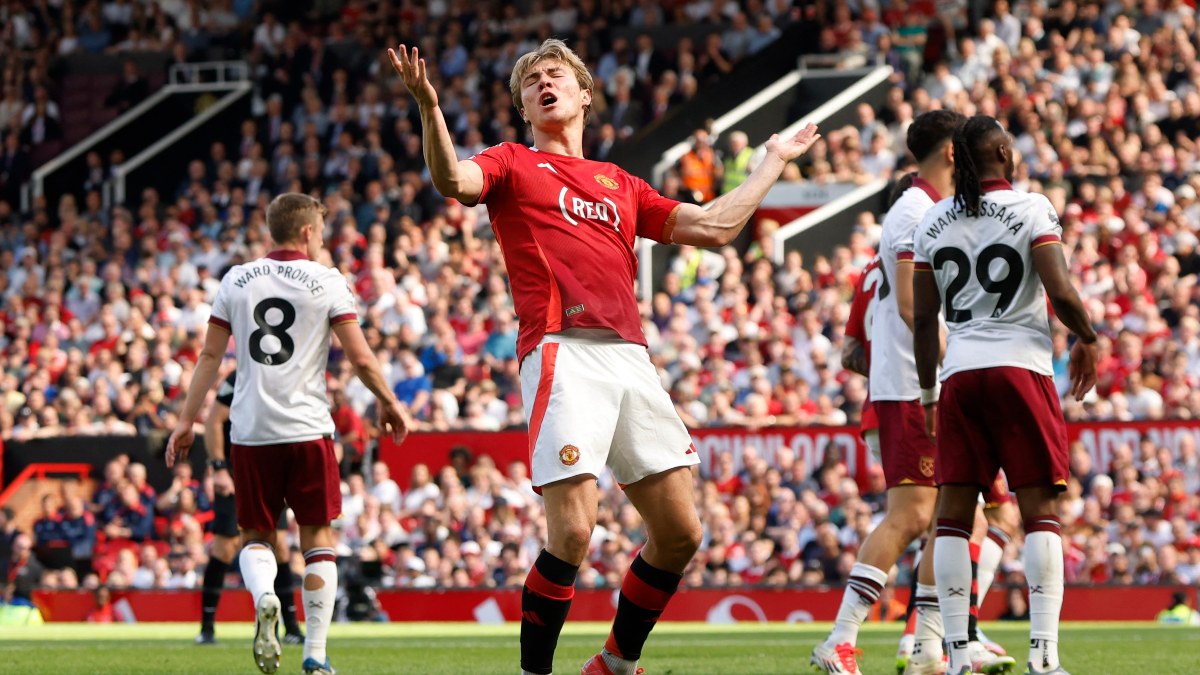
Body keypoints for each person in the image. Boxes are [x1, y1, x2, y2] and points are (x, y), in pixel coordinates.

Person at [389, 39, 819, 675]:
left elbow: (716, 227)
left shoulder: (619, 182)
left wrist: (772, 161)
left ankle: (615, 662)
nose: (543, 84)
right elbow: (453, 180)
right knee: (571, 533)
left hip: (631, 359)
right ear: (524, 108)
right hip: (562, 352)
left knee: (680, 534)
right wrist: (430, 107)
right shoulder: (510, 162)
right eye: (531, 81)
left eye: (555, 74)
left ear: (584, 93)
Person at [167, 193, 411, 675]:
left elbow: (210, 358)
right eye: (320, 232)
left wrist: (184, 421)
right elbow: (360, 357)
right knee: (318, 539)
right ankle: (316, 655)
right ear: (306, 233)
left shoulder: (236, 279)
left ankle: (263, 598)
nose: (321, 241)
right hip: (307, 428)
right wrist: (388, 399)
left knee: (255, 535)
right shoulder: (325, 281)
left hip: (251, 430)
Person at [913, 115, 1099, 675]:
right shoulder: (1030, 207)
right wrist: (1088, 336)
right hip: (1020, 367)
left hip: (961, 373)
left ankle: (955, 655)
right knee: (1040, 512)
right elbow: (1060, 288)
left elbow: (923, 320)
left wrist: (927, 393)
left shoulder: (934, 219)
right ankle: (1044, 657)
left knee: (951, 513)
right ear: (1000, 150)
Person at [813, 110, 963, 675]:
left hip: (910, 382)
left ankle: (928, 645)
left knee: (948, 515)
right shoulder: (915, 211)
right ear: (951, 152)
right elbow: (909, 303)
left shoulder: (928, 210)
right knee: (912, 514)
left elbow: (856, 345)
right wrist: (962, 359)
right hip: (912, 385)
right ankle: (843, 637)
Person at [194, 369, 305, 646]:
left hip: (271, 471)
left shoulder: (287, 375)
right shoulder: (240, 376)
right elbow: (214, 421)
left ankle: (290, 627)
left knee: (280, 545)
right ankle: (207, 627)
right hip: (235, 471)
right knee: (226, 546)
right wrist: (219, 467)